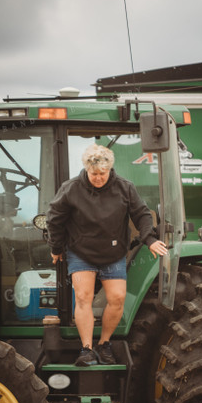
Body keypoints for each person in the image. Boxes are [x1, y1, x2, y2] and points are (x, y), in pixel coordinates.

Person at [46, 143, 168, 366]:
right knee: (84, 297)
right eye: (94, 174)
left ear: (110, 169)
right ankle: (86, 349)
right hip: (80, 251)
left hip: (113, 252)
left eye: (103, 173)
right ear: (86, 169)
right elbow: (54, 219)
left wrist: (149, 239)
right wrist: (56, 248)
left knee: (117, 298)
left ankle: (104, 343)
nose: (99, 178)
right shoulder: (71, 188)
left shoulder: (125, 188)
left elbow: (141, 214)